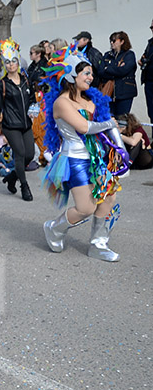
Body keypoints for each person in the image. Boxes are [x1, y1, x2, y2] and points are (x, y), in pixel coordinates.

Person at [42, 45, 126, 262]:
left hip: (96, 159)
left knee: (109, 197)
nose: (91, 77)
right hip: (74, 160)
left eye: (91, 73)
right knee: (86, 207)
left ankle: (98, 244)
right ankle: (55, 227)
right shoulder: (61, 102)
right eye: (86, 73)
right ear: (71, 74)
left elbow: (104, 131)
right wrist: (108, 123)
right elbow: (85, 128)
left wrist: (121, 146)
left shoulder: (90, 99)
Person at [0, 38, 36, 201]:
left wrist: (34, 107)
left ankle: (11, 177)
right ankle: (24, 186)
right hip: (10, 125)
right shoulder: (2, 84)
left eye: (13, 61)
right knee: (20, 154)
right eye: (7, 62)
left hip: (26, 124)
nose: (10, 64)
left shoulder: (25, 80)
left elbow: (31, 99)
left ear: (18, 61)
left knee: (29, 155)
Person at [101, 31, 138, 115]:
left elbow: (124, 70)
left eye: (114, 40)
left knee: (122, 119)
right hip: (109, 92)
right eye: (110, 40)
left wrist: (108, 68)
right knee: (110, 119)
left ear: (122, 41)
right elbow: (101, 71)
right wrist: (115, 68)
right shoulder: (107, 55)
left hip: (124, 92)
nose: (111, 43)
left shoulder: (129, 55)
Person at [140, 18, 153, 126]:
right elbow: (144, 57)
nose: (152, 30)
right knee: (151, 110)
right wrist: (142, 61)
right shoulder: (150, 43)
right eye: (151, 27)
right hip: (149, 80)